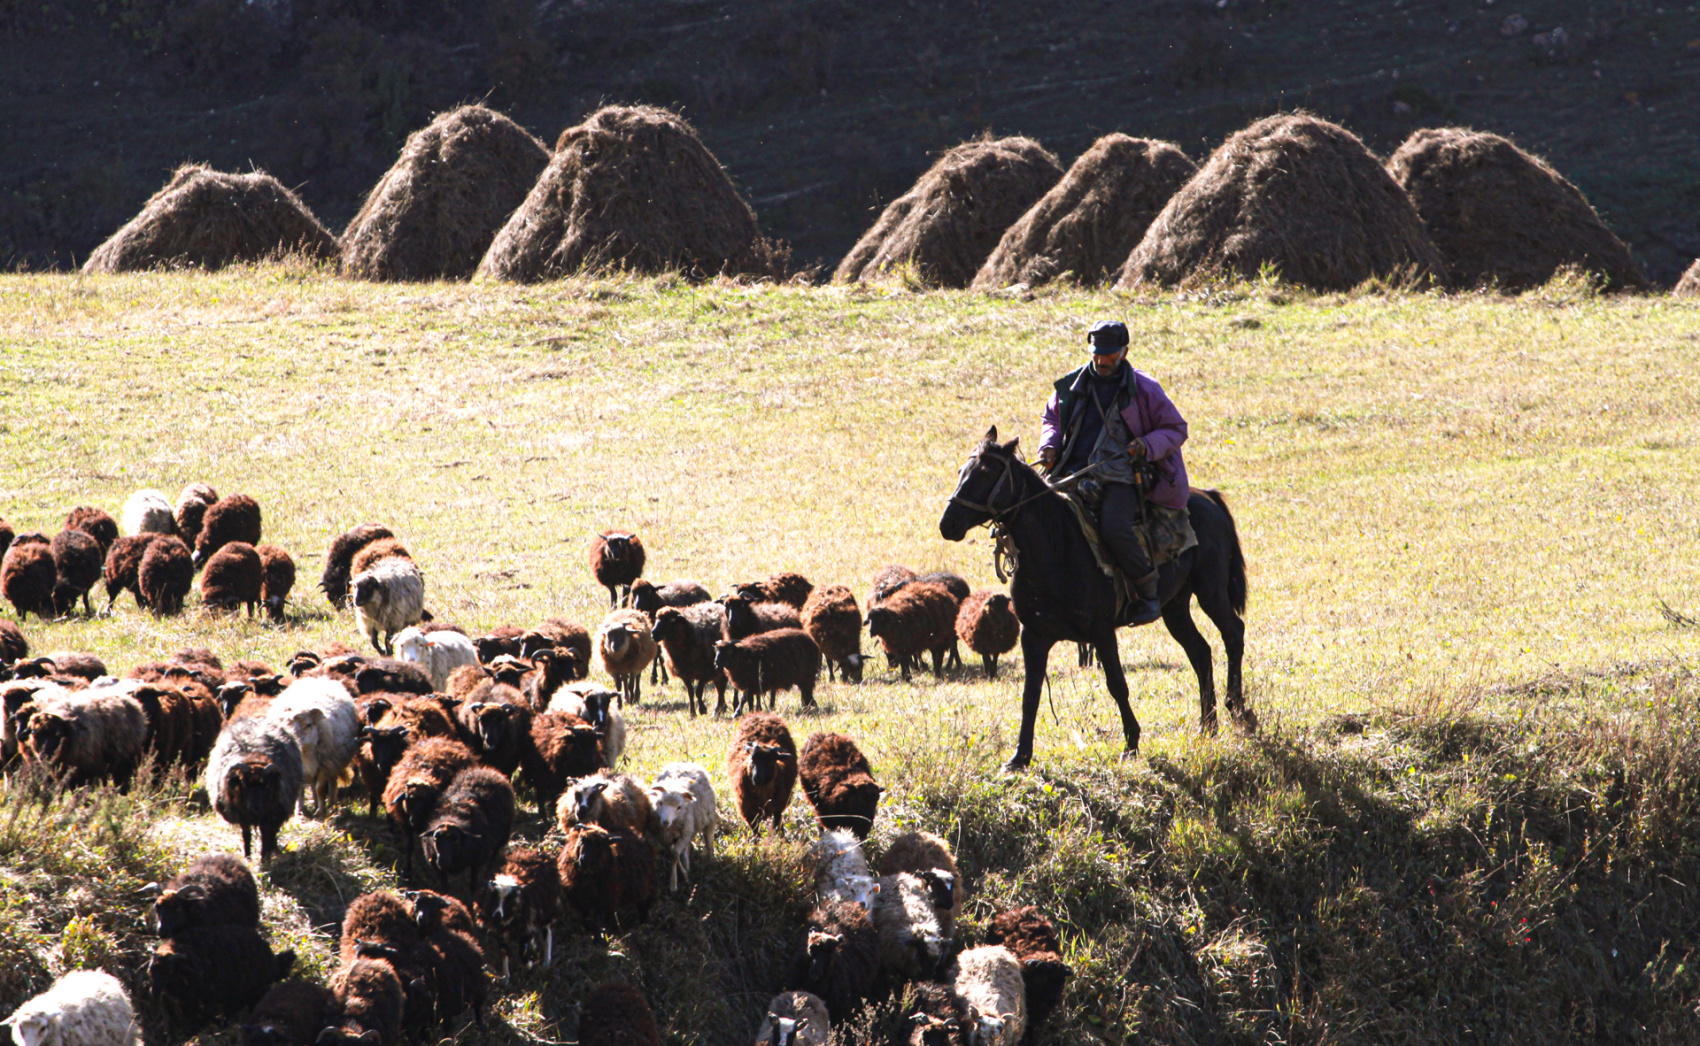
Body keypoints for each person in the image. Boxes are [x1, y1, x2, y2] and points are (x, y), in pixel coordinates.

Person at [1038, 320, 1190, 626]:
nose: (1101, 360)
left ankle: (1147, 595)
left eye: (1108, 354)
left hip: (1121, 475)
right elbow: (1051, 419)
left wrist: (1146, 445)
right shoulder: (1072, 385)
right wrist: (1049, 446)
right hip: (1071, 471)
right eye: (1096, 353)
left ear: (1124, 352)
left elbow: (1176, 429)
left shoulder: (1145, 388)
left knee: (1113, 527)